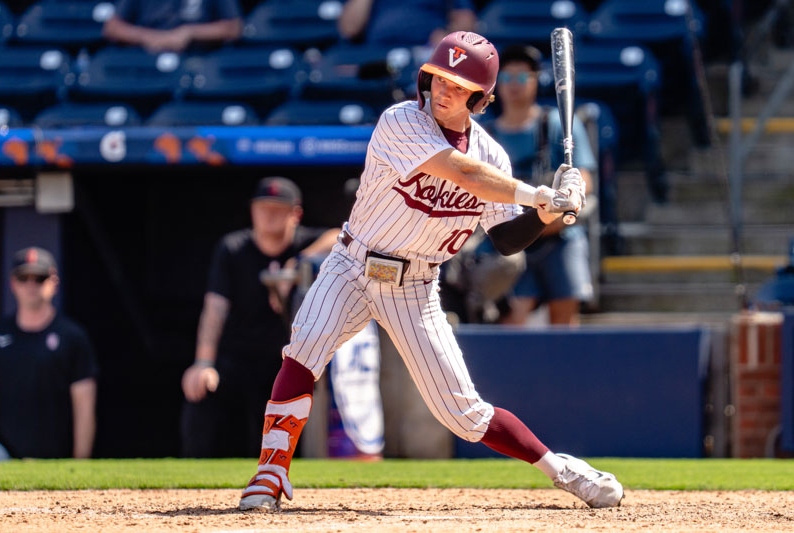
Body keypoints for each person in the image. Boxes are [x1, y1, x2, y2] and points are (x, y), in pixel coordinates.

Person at [238, 31, 623, 512]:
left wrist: (550, 214)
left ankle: (564, 471)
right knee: (304, 349)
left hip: (415, 287)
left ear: (479, 97)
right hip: (352, 265)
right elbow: (460, 173)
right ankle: (270, 472)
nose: (443, 91)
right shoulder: (402, 120)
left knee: (462, 412)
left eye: (458, 85)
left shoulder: (494, 157)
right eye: (439, 78)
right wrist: (537, 194)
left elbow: (506, 240)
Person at [180, 177, 340, 457]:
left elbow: (342, 235)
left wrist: (299, 264)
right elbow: (214, 310)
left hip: (285, 359)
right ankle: (190, 477)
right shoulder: (233, 248)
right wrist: (203, 362)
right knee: (202, 388)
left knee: (296, 400)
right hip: (238, 356)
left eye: (278, 209)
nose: (269, 215)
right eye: (263, 207)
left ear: (295, 214)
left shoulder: (303, 243)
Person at [480, 44, 597, 326]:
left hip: (558, 235)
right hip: (511, 237)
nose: (514, 85)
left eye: (522, 77)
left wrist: (564, 201)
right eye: (506, 78)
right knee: (514, 317)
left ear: (535, 80)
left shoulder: (557, 123)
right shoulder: (486, 134)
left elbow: (584, 178)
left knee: (564, 316)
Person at [0, 247, 97, 460]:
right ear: (13, 283)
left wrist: (80, 463)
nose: (31, 285)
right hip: (3, 452)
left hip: (55, 457)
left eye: (39, 278)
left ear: (54, 282)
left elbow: (84, 407)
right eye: (24, 278)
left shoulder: (72, 337)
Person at [103, 0, 243, 53]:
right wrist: (148, 37)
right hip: (145, 58)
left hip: (196, 58)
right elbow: (113, 27)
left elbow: (234, 27)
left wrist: (189, 32)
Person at [338, 0, 477, 46]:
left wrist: (447, 36)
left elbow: (465, 20)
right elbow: (349, 29)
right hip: (377, 52)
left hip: (426, 49)